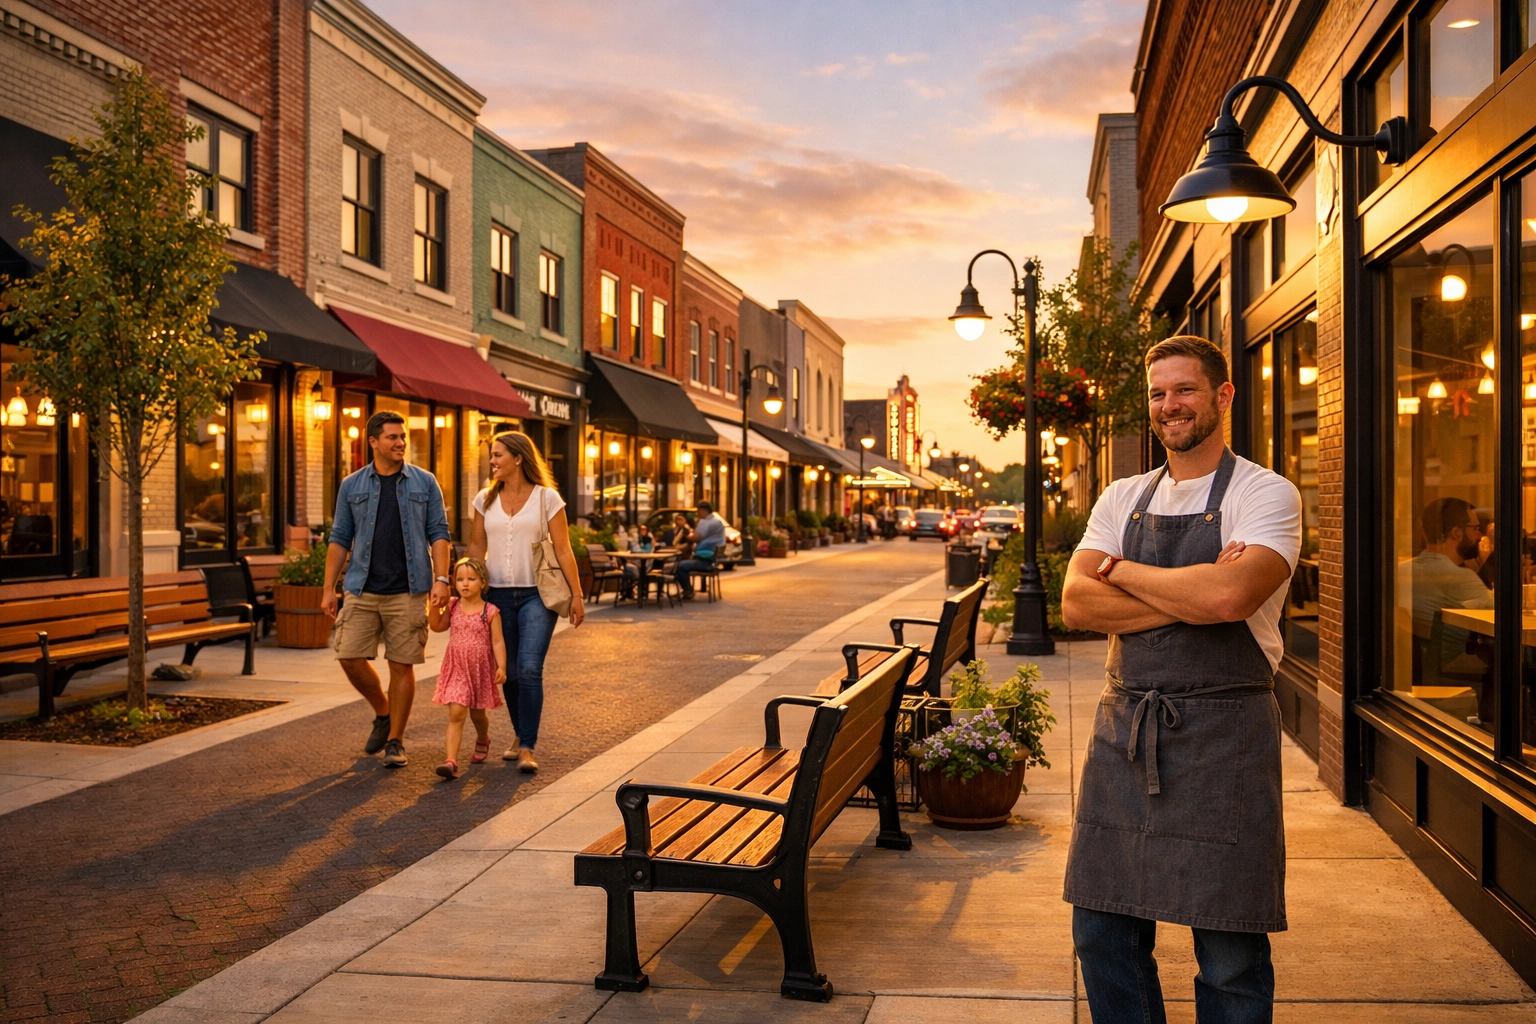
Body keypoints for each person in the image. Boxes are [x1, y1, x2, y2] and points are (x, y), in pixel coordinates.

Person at [1060, 335, 1302, 1022]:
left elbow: (1229, 601)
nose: (1171, 406)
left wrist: (1123, 572)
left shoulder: (1265, 493)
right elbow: (1076, 604)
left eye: (1185, 390)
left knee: (1229, 952)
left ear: (1222, 396)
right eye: (1159, 393)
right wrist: (1189, 590)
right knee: (1101, 932)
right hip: (1126, 733)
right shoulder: (1121, 495)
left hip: (1226, 742)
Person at [324, 411, 452, 770]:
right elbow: (339, 539)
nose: (400, 443)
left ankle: (395, 740)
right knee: (348, 655)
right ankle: (383, 710)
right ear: (373, 442)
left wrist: (441, 579)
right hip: (362, 587)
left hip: (408, 590)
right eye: (393, 437)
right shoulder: (352, 485)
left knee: (402, 663)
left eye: (402, 437)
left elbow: (439, 533)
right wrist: (327, 588)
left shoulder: (424, 483)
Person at [467, 431, 585, 773]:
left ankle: (527, 747)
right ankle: (520, 735)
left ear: (518, 458)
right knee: (513, 673)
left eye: (498, 455)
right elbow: (476, 546)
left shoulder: (547, 499)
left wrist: (576, 595)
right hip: (497, 596)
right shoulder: (483, 500)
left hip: (537, 595)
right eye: (492, 455)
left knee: (531, 668)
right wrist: (467, 589)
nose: (492, 461)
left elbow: (563, 548)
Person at [429, 557, 507, 780]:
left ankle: (483, 739)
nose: (464, 584)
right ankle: (451, 762)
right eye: (460, 579)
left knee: (478, 715)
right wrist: (433, 605)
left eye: (471, 579)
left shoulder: (490, 611)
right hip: (457, 668)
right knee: (457, 713)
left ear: (483, 582)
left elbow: (498, 642)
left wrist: (501, 666)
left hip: (479, 670)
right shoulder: (453, 605)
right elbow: (436, 626)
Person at [677, 501, 724, 600]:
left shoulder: (706, 522)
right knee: (684, 563)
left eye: (698, 511)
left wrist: (686, 533)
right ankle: (688, 589)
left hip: (705, 561)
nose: (697, 514)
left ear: (703, 510)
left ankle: (688, 590)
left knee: (680, 565)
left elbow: (695, 538)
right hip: (712, 560)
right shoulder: (717, 520)